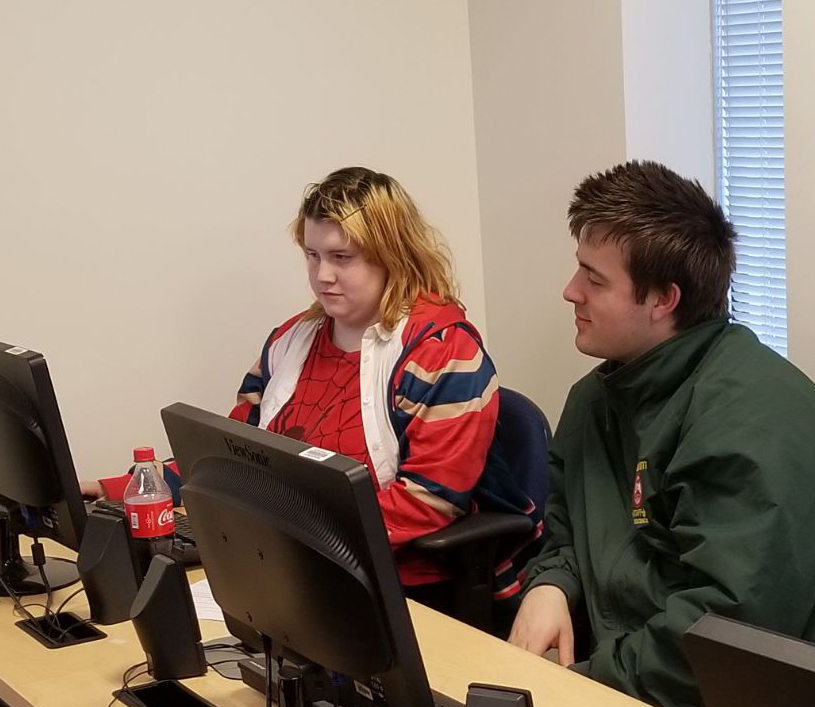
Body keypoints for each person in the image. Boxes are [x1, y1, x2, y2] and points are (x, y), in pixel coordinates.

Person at [508, 159, 815, 707]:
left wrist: (589, 686)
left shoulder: (751, 411)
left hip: (780, 694)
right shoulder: (601, 396)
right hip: (656, 668)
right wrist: (552, 584)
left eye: (595, 280)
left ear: (664, 301)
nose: (570, 291)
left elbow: (731, 627)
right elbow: (569, 526)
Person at [90, 167, 537, 614]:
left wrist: (290, 542)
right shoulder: (291, 341)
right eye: (312, 255)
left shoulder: (444, 353)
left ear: (392, 255)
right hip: (294, 566)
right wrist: (119, 489)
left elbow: (427, 504)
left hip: (400, 588)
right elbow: (227, 459)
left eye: (342, 257)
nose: (322, 275)